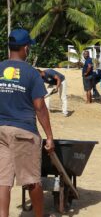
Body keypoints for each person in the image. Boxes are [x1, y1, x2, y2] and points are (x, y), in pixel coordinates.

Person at [0, 29, 55, 217]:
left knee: (3, 181)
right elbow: (40, 107)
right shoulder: (32, 73)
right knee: (32, 180)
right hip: (23, 131)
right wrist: (49, 136)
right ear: (25, 48)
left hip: (0, 131)